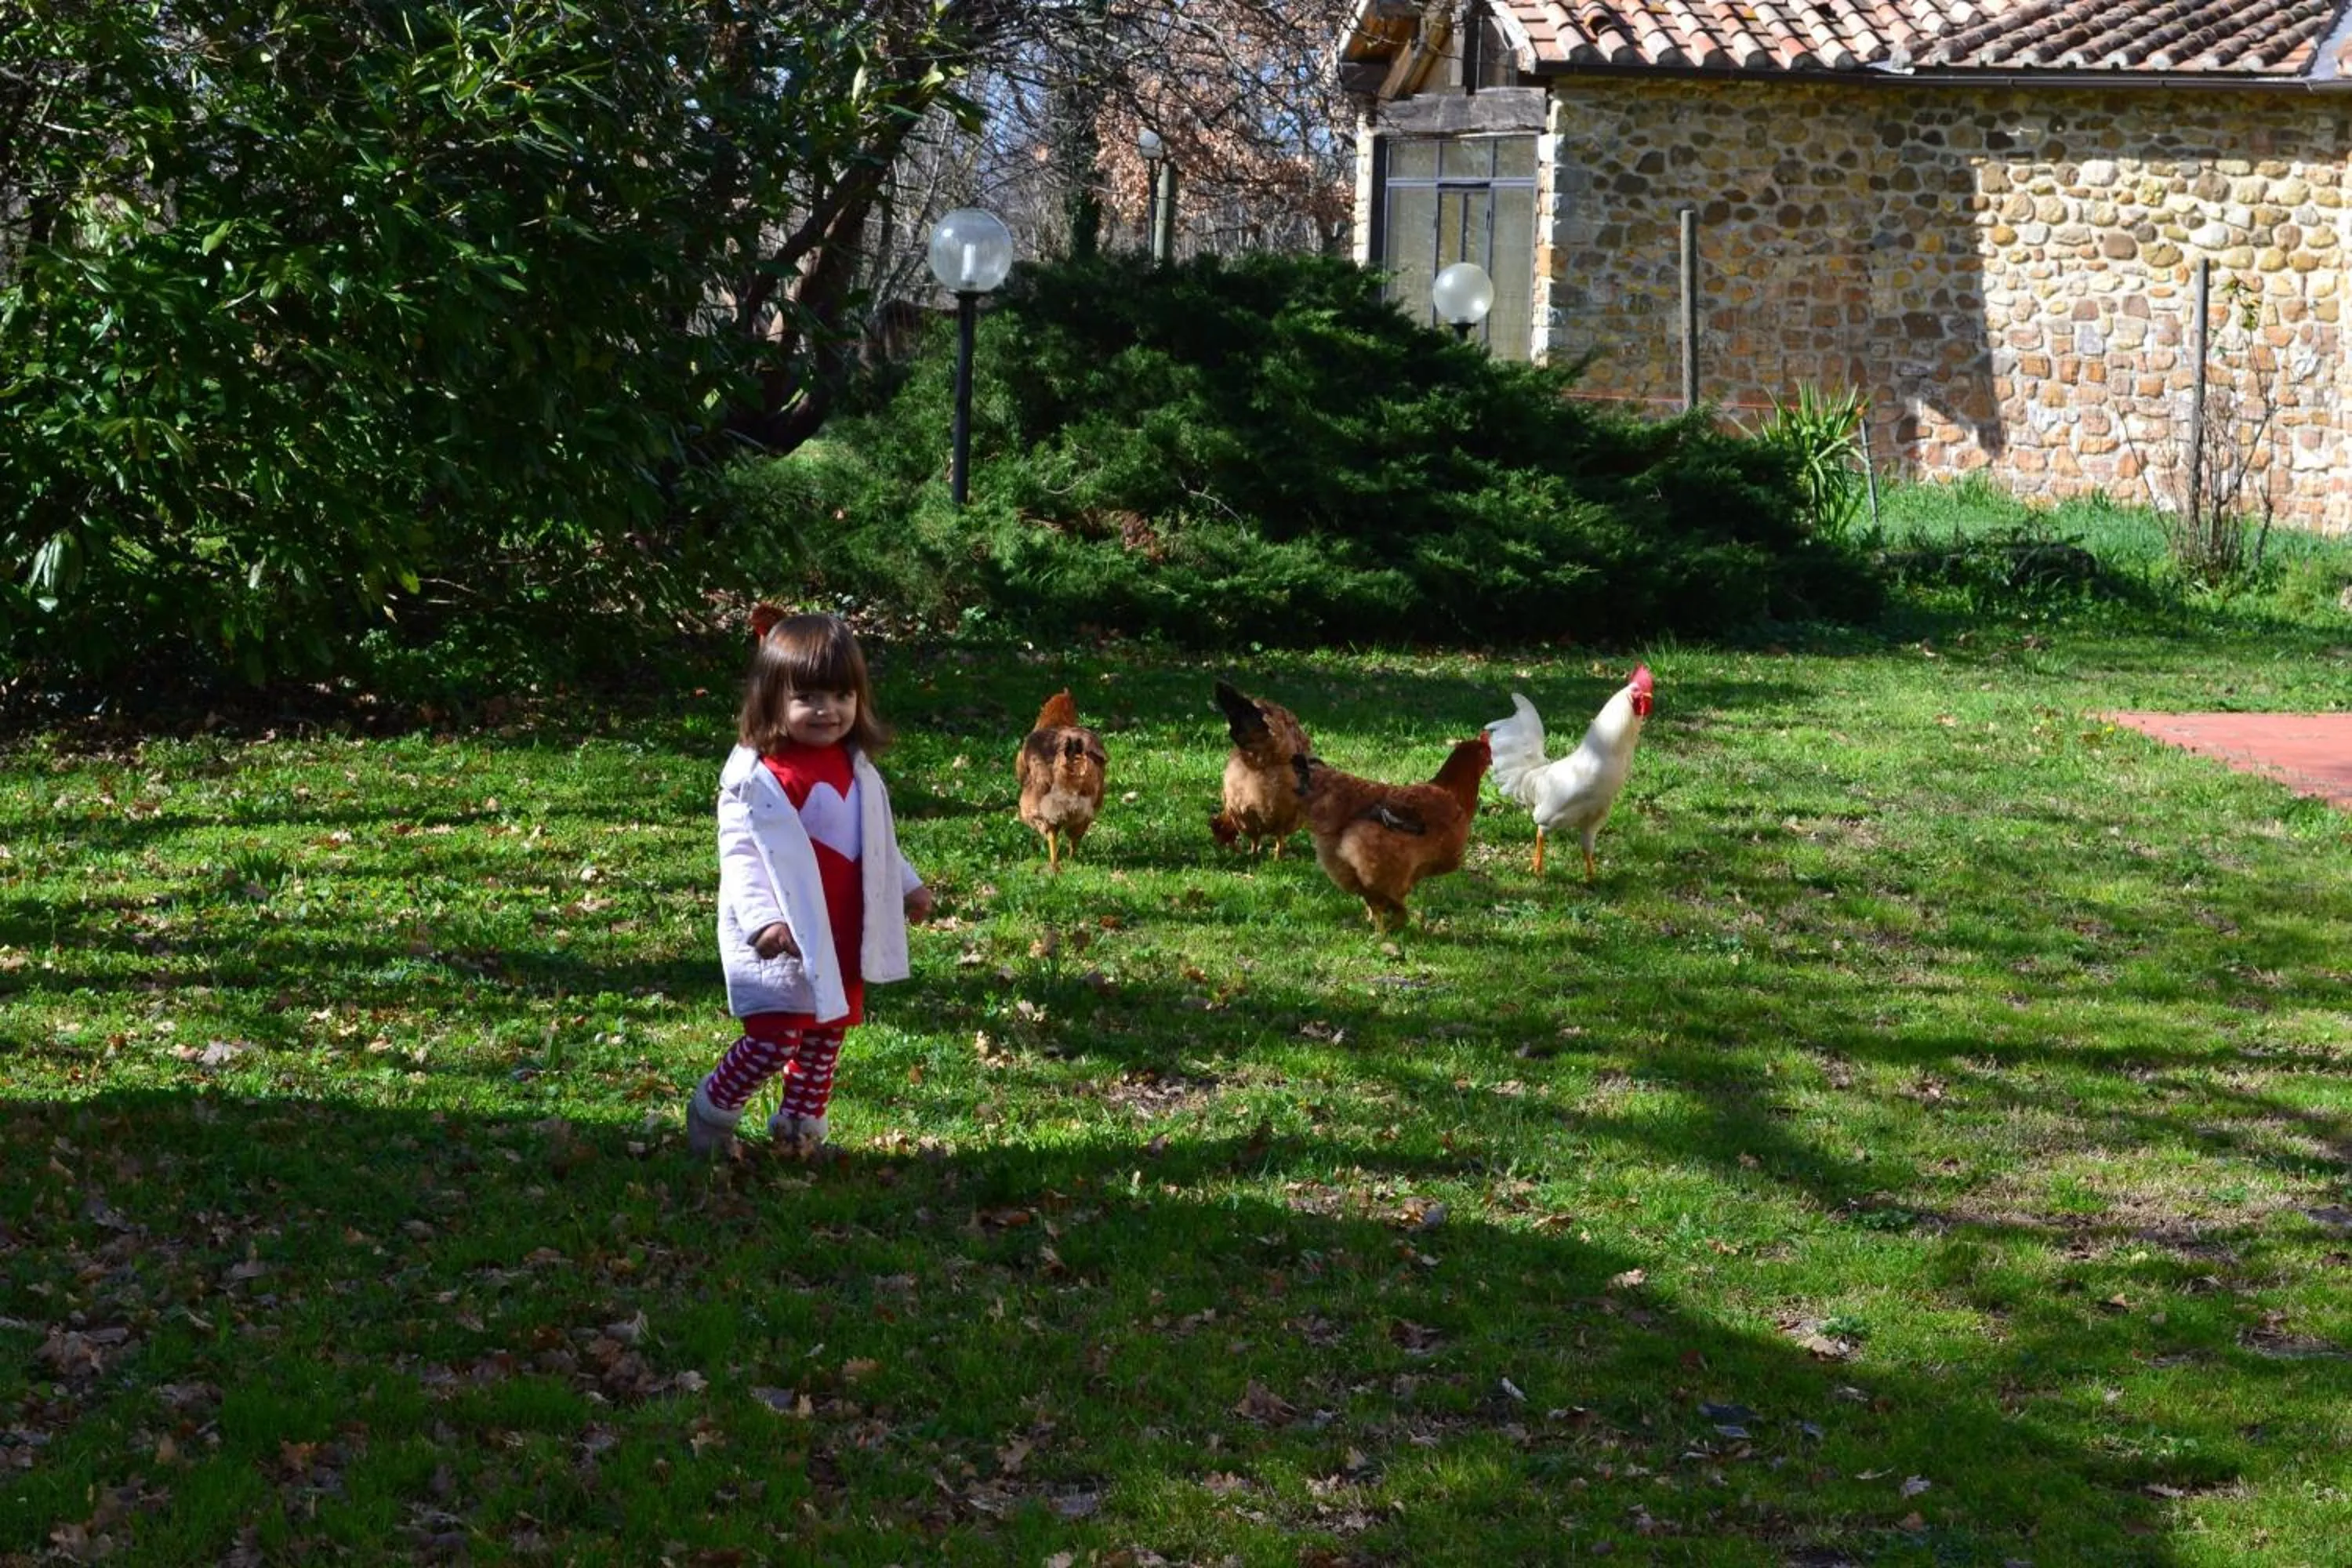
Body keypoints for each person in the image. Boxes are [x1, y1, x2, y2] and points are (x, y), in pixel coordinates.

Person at [687, 610, 934, 1158]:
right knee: (776, 1036)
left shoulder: (855, 766)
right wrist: (763, 920)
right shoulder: (759, 777)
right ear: (772, 699)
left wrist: (907, 886)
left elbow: (875, 841)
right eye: (810, 698)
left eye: (842, 696)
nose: (829, 711)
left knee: (825, 1035)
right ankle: (712, 1111)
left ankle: (800, 1131)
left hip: (843, 927)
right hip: (787, 933)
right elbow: (743, 856)